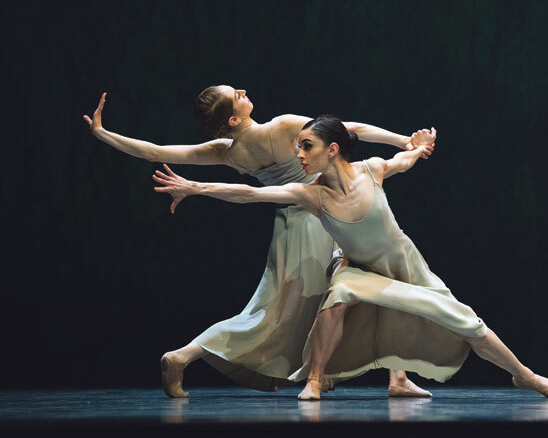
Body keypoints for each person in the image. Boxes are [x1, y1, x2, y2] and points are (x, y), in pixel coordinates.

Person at [151, 115, 548, 401]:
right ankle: (314, 380)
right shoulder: (310, 194)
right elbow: (251, 194)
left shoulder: (372, 170)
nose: (299, 155)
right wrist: (198, 188)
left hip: (405, 265)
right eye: (298, 147)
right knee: (339, 294)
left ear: (332, 150)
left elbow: (404, 159)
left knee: (466, 322)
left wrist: (417, 146)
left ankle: (523, 375)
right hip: (358, 269)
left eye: (306, 147)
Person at [82, 88, 434, 398]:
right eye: (236, 95)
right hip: (325, 218)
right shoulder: (279, 127)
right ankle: (391, 376)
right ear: (234, 119)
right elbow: (348, 131)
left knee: (273, 312)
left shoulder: (228, 152)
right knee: (374, 287)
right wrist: (404, 141)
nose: (242, 90)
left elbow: (154, 151)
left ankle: (186, 355)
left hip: (288, 229)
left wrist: (103, 134)